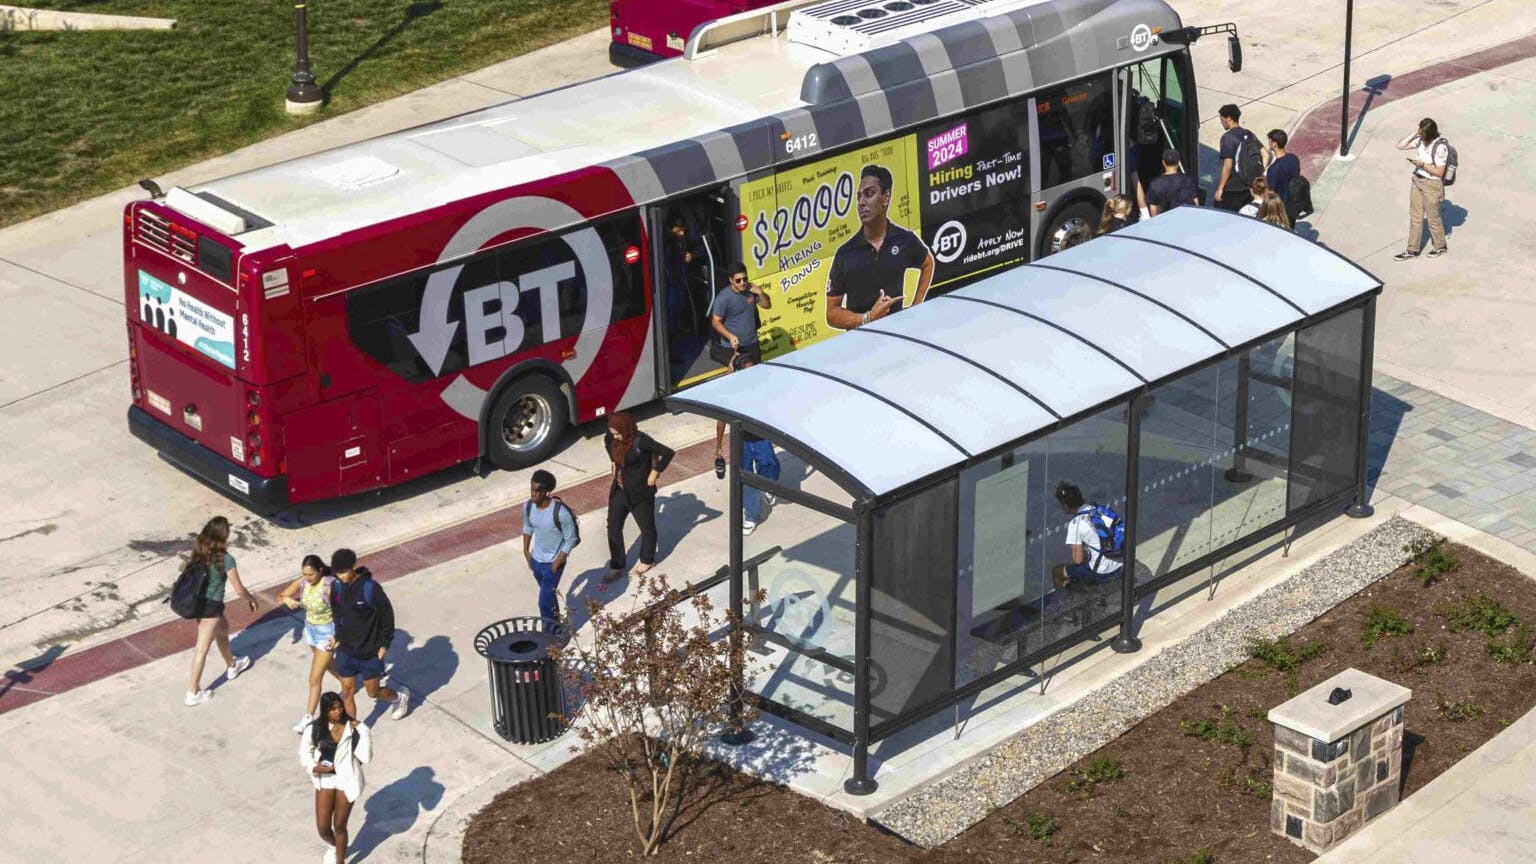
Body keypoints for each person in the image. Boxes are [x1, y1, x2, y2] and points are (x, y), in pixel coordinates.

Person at [825, 164, 934, 330]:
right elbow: (832, 313)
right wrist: (867, 318)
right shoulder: (845, 253)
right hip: (860, 344)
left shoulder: (904, 239)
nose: (861, 203)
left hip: (899, 334)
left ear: (886, 197)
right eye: (859, 197)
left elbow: (927, 263)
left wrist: (917, 305)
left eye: (869, 194)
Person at [184, 516, 258, 707]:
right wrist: (250, 599)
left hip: (199, 603)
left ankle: (232, 666)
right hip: (211, 607)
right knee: (201, 649)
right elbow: (239, 589)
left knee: (223, 630)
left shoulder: (200, 551)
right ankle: (193, 692)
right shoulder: (225, 559)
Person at [327, 549, 408, 722]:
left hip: (369, 652)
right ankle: (351, 730)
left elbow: (387, 616)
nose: (340, 576)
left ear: (353, 567)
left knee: (373, 692)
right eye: (337, 572)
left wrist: (384, 644)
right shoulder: (336, 587)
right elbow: (337, 612)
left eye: (343, 572)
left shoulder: (370, 588)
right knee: (347, 692)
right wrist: (338, 635)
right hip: (346, 650)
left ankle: (398, 697)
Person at [299, 692, 371, 864]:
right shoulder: (314, 728)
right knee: (323, 828)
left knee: (339, 826)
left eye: (340, 707)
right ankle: (335, 847)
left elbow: (366, 757)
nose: (338, 712)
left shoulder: (353, 728)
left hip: (346, 779)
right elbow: (304, 751)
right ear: (325, 711)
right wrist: (314, 767)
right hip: (325, 779)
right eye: (333, 709)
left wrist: (362, 729)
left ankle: (340, 860)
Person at [604, 412, 675, 578]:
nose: (615, 437)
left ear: (626, 429)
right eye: (613, 433)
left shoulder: (640, 441)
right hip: (619, 490)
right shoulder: (611, 438)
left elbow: (668, 452)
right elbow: (607, 443)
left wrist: (655, 472)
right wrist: (613, 461)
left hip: (640, 492)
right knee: (613, 527)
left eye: (617, 433)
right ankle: (617, 564)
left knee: (646, 528)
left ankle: (647, 560)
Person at [279, 554, 339, 733]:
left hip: (327, 633)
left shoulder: (329, 586)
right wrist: (286, 599)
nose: (307, 578)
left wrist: (338, 635)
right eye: (304, 574)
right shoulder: (303, 582)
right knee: (328, 666)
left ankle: (308, 718)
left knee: (314, 677)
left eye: (311, 574)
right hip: (310, 631)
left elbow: (344, 611)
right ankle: (349, 684)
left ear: (320, 571)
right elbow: (280, 596)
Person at [1045, 482, 1123, 615]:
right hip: (1120, 562)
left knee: (1057, 572)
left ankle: (1062, 608)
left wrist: (1086, 553)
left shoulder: (1076, 524)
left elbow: (1077, 559)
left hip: (1102, 572)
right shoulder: (1100, 509)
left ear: (1065, 505)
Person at [523, 469, 578, 623]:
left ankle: (550, 636)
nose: (533, 494)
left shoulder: (560, 513)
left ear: (547, 491)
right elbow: (527, 527)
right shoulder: (528, 507)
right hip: (536, 561)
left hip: (553, 564)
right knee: (548, 596)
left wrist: (557, 562)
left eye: (538, 491)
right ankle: (557, 626)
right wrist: (526, 551)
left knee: (543, 601)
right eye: (532, 489)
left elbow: (571, 539)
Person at [1394, 117, 1451, 260]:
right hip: (1417, 180)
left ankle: (1440, 246)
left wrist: (1422, 164)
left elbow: (1439, 172)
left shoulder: (1439, 148)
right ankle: (1412, 250)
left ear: (1429, 133)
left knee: (1432, 218)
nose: (1421, 134)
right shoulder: (1420, 140)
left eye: (1422, 132)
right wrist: (1415, 133)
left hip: (1432, 185)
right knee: (1416, 217)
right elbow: (1400, 145)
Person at [709, 263, 771, 368]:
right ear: (731, 280)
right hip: (733, 346)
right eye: (738, 280)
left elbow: (767, 305)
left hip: (752, 343)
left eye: (745, 279)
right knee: (738, 375)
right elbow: (715, 322)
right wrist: (730, 336)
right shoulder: (724, 298)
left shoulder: (751, 290)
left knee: (756, 374)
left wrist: (760, 292)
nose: (743, 283)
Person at [1215, 104, 1265, 213]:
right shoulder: (1249, 134)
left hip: (1233, 188)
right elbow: (1265, 154)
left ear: (1229, 119)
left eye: (1222, 119)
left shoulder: (1227, 138)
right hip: (1249, 186)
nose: (1221, 122)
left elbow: (1228, 165)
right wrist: (1258, 172)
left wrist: (1220, 188)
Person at [1145, 149, 1198, 216]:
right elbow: (1196, 204)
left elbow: (1154, 210)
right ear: (1178, 162)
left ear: (1163, 163)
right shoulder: (1188, 180)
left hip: (1166, 223)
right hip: (1185, 221)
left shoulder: (1155, 184)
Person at [1264, 129, 1301, 218]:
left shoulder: (1273, 169)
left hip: (1281, 211)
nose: (1269, 144)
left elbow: (1271, 194)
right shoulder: (1294, 159)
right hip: (1293, 207)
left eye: (1270, 141)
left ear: (1274, 144)